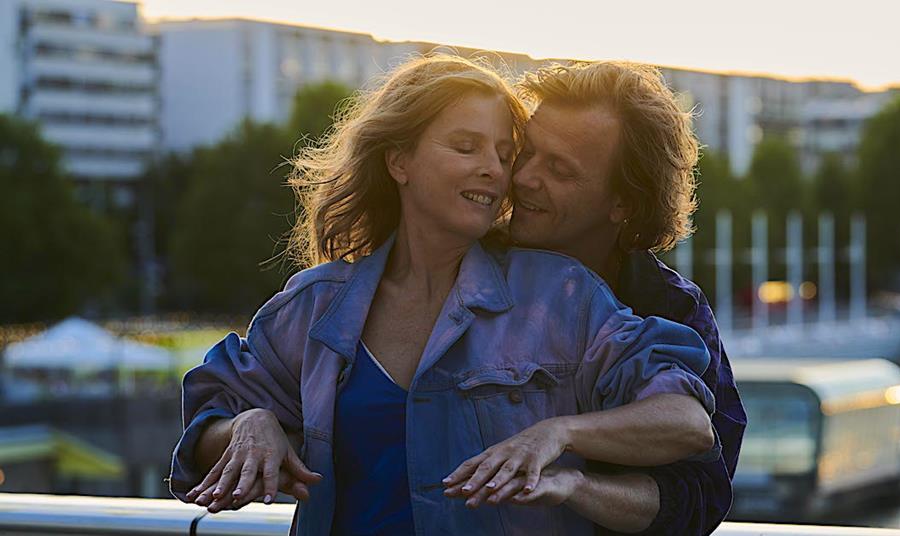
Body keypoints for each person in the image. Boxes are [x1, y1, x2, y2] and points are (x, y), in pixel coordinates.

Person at [168, 54, 719, 535]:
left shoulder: (563, 297)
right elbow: (205, 429)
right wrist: (249, 424)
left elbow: (688, 424)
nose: (501, 172)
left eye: (505, 153)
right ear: (399, 160)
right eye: (466, 147)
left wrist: (557, 436)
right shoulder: (315, 306)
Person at [456, 61, 747, 535]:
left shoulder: (672, 310)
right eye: (526, 153)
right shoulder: (458, 262)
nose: (524, 177)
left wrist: (572, 478)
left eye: (559, 169)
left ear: (625, 203)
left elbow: (696, 497)